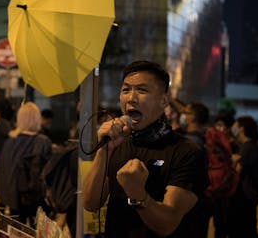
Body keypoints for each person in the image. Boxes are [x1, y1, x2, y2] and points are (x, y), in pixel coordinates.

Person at [82, 60, 208, 238]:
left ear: (163, 101)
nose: (131, 98)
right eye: (125, 90)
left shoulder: (187, 152)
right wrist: (104, 151)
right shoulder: (116, 144)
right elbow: (90, 203)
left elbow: (167, 224)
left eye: (141, 90)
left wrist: (137, 193)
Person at [0, 102, 52, 226]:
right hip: (36, 200)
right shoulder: (43, 142)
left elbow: (3, 173)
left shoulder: (9, 142)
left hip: (13, 199)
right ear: (37, 119)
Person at [227, 116, 258, 238]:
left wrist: (232, 161)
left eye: (236, 125)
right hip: (249, 195)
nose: (233, 128)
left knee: (242, 230)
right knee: (248, 229)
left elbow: (237, 172)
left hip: (243, 196)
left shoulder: (247, 147)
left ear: (241, 128)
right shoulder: (252, 145)